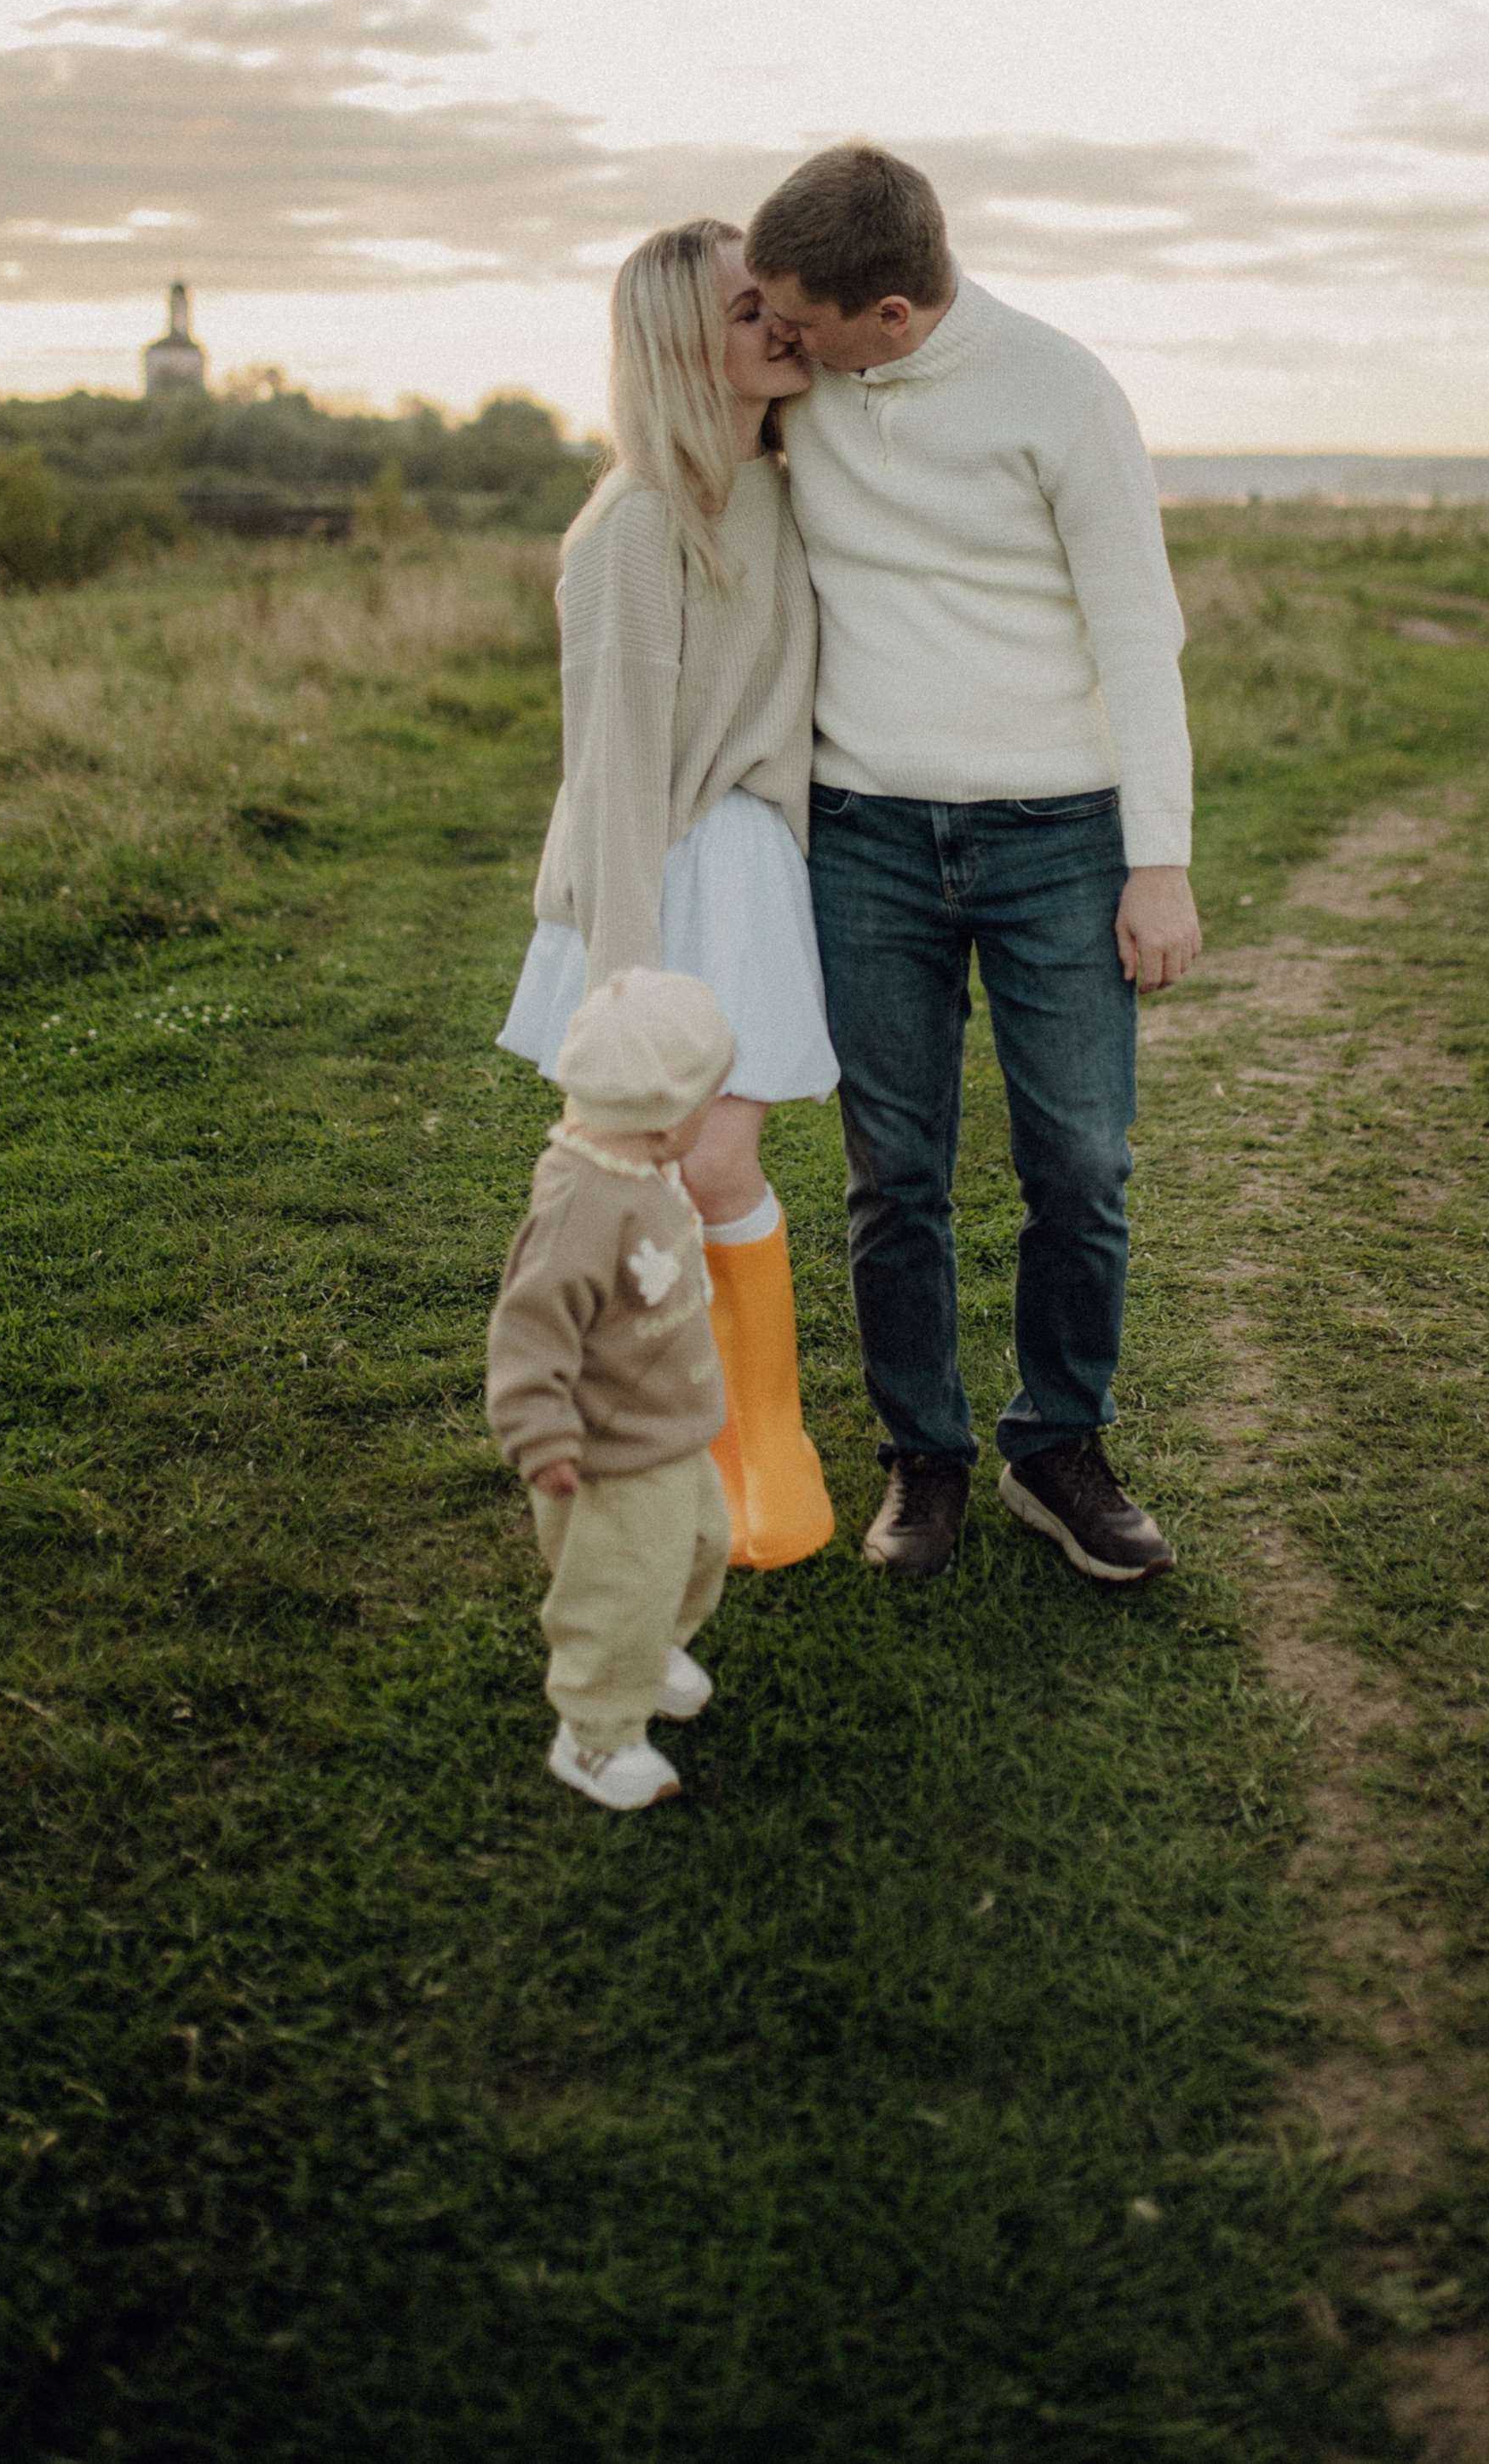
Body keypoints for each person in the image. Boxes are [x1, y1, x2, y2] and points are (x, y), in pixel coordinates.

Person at [745, 142, 1200, 1588]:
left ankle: (1059, 1447)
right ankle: (921, 1458)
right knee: (898, 1175)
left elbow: (1141, 638)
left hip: (1063, 837)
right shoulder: (797, 392)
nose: (780, 341)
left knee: (1079, 1160)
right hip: (864, 835)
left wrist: (1159, 864)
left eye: (802, 318)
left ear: (891, 312)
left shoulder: (1063, 394)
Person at [497, 217, 835, 1569]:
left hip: (754, 862)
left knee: (715, 1164)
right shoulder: (636, 524)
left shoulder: (795, 475)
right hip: (666, 864)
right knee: (681, 1162)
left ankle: (768, 1436)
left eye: (780, 303)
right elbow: (620, 772)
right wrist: (621, 989)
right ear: (681, 345)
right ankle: (706, 1439)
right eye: (750, 309)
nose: (782, 326)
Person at [487, 970, 737, 1812]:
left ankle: (655, 1641)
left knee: (701, 1545)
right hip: (610, 1449)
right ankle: (592, 1735)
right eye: (712, 1098)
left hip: (669, 1426)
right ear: (669, 1118)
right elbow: (528, 1330)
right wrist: (542, 1434)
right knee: (617, 1583)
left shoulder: (639, 1169)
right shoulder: (581, 1204)